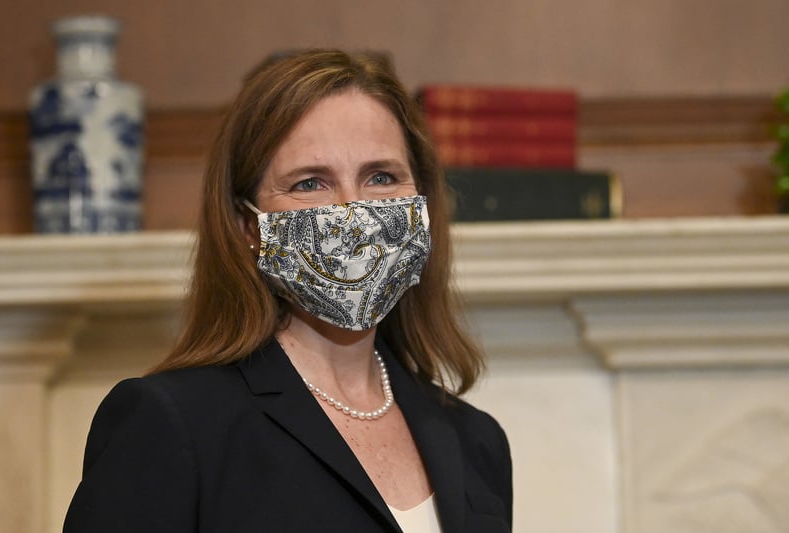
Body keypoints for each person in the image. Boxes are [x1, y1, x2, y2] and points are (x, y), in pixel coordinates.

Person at [63, 49, 512, 533]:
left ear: (421, 201)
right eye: (310, 183)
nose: (352, 212)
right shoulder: (170, 424)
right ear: (247, 226)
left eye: (381, 177)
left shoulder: (476, 440)